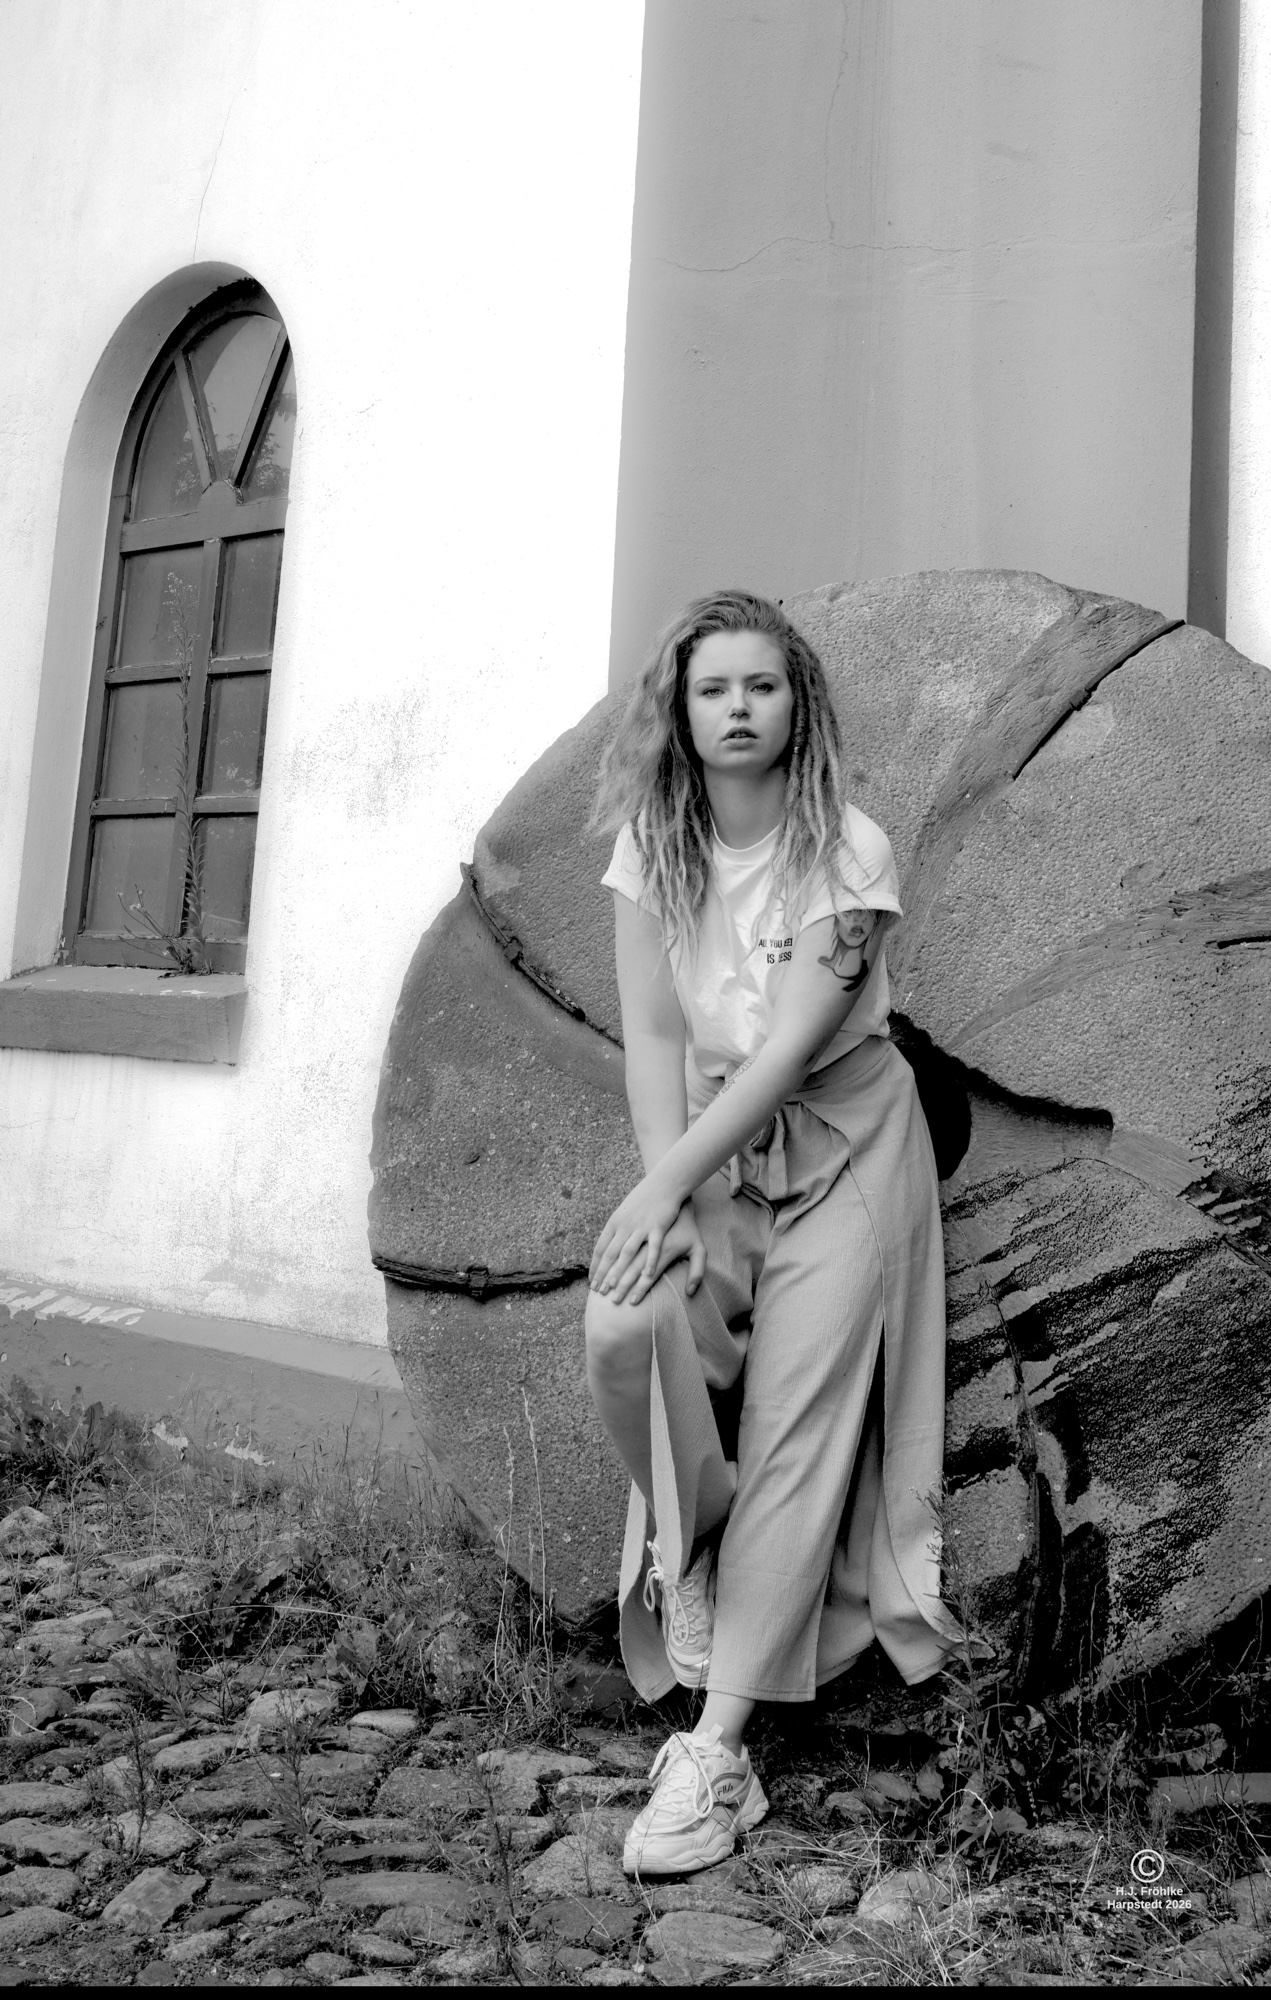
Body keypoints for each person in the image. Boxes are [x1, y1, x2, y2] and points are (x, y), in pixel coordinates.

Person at [585, 589, 961, 1879]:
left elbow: (790, 1051)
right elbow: (653, 1036)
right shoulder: (653, 846)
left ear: (798, 704)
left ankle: (718, 1753)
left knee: (804, 1414)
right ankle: (699, 1546)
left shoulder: (845, 850)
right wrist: (674, 1196)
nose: (738, 709)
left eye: (761, 685)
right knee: (624, 1326)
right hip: (710, 1145)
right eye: (713, 689)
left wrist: (662, 1188)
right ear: (680, 714)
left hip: (846, 1142)